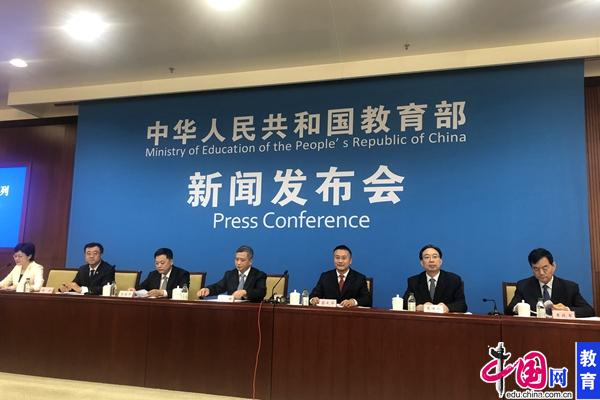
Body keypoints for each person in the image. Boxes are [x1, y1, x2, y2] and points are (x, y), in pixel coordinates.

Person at [506, 248, 595, 317]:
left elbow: (589, 310)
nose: (541, 273)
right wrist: (518, 308)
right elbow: (508, 310)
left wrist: (566, 309)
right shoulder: (523, 286)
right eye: (536, 269)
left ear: (553, 266)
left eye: (545, 268)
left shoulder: (570, 287)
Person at [403, 244, 467, 313]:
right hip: (422, 319)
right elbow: (404, 303)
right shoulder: (414, 281)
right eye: (427, 257)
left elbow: (462, 305)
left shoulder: (454, 280)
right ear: (422, 263)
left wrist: (448, 308)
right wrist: (420, 307)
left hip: (445, 319)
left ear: (440, 261)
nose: (431, 260)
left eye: (435, 257)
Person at [197, 245, 266, 302]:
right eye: (237, 259)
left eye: (242, 260)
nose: (238, 263)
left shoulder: (259, 275)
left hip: (250, 310)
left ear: (250, 261)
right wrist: (208, 289)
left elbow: (261, 292)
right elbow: (218, 287)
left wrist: (245, 292)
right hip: (231, 309)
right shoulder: (230, 274)